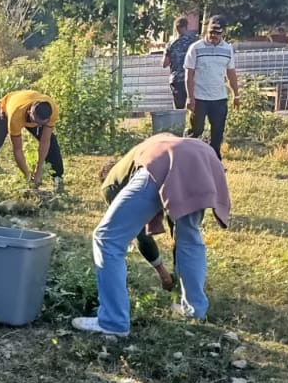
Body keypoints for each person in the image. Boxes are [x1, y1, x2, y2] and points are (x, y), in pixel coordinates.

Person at [73, 135, 230, 337]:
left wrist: (161, 272)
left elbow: (138, 234)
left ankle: (113, 321)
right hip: (203, 156)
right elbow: (175, 222)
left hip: (168, 159)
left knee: (107, 239)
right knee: (189, 238)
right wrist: (165, 270)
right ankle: (195, 310)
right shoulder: (139, 155)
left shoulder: (111, 184)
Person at [99, 156, 177, 293]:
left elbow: (141, 235)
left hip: (134, 181)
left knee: (107, 237)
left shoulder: (111, 186)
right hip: (173, 172)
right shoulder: (137, 164)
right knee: (181, 228)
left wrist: (163, 274)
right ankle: (185, 278)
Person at [0, 89, 65, 192]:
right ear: (29, 113)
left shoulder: (52, 110)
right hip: (6, 109)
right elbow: (18, 149)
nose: (38, 126)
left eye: (41, 124)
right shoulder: (15, 116)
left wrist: (38, 171)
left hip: (27, 105)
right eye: (36, 122)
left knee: (52, 142)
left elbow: (45, 141)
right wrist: (27, 176)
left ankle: (58, 179)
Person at [184, 16, 238, 158]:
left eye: (217, 33)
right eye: (211, 32)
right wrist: (190, 97)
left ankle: (215, 161)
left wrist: (236, 94)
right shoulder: (196, 48)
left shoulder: (227, 49)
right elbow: (189, 74)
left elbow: (231, 73)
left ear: (223, 32)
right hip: (199, 97)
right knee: (197, 130)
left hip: (219, 97)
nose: (213, 35)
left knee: (217, 132)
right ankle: (189, 157)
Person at [162, 18, 197, 110]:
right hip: (193, 79)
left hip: (177, 80)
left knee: (179, 110)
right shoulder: (194, 42)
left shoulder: (171, 44)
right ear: (187, 26)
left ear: (175, 28)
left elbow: (165, 63)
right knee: (194, 108)